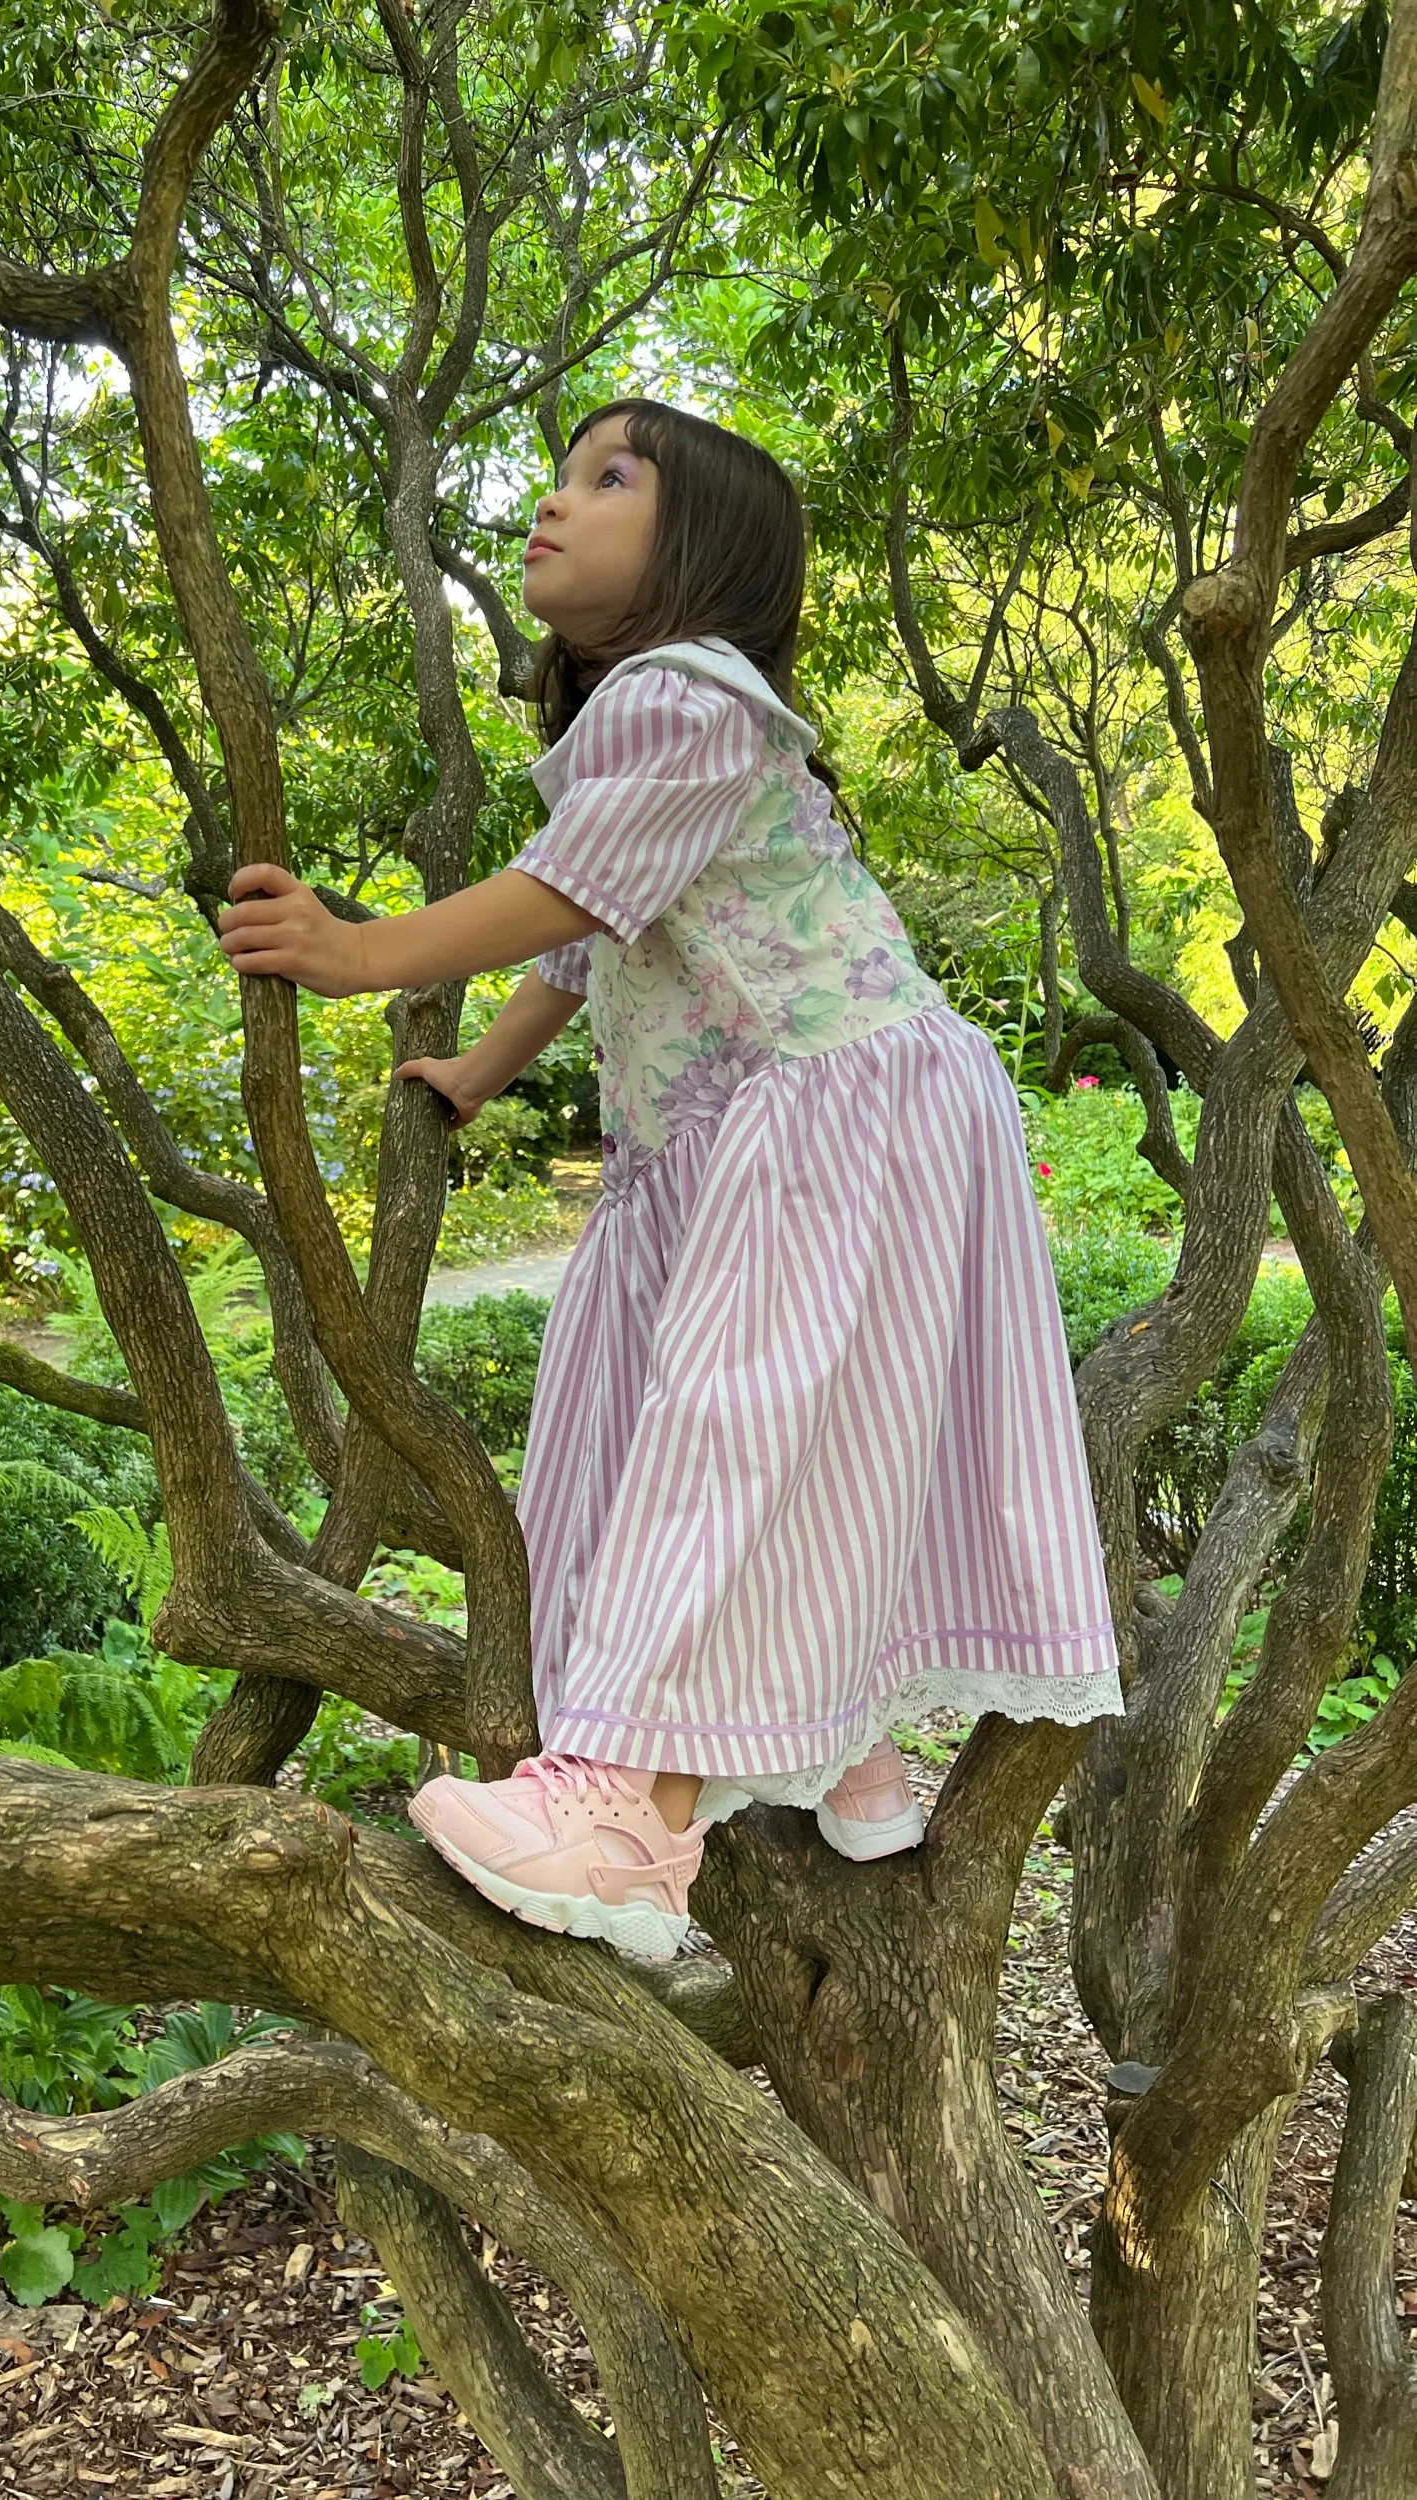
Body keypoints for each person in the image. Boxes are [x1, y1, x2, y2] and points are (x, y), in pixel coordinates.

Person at [218, 398, 1121, 1964]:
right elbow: (586, 941)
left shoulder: (688, 696)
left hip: (824, 1106)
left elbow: (558, 893)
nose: (555, 501)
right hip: (750, 1134)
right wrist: (479, 1072)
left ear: (700, 555)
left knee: (739, 1431)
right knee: (696, 1418)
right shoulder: (642, 738)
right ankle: (833, 1725)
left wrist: (364, 956)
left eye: (609, 478)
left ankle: (631, 1817)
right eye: (562, 474)